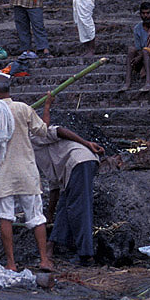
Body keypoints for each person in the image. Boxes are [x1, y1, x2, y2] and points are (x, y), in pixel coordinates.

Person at [0, 70, 53, 272]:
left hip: (1, 171)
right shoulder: (24, 108)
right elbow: (43, 131)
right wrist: (46, 107)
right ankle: (44, 260)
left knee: (5, 217)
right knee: (36, 217)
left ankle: (11, 263)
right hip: (26, 170)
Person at [32, 94, 105, 265]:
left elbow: (59, 130)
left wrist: (87, 143)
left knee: (79, 208)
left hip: (79, 161)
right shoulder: (36, 157)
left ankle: (87, 255)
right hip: (72, 170)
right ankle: (51, 246)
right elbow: (55, 189)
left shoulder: (33, 137)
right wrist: (49, 214)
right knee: (65, 207)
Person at [121, 3, 150, 92]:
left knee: (146, 51)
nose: (145, 16)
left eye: (148, 13)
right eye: (143, 13)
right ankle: (127, 83)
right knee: (131, 50)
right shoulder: (137, 28)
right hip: (143, 58)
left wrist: (142, 55)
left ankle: (148, 83)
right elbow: (138, 48)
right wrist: (140, 55)